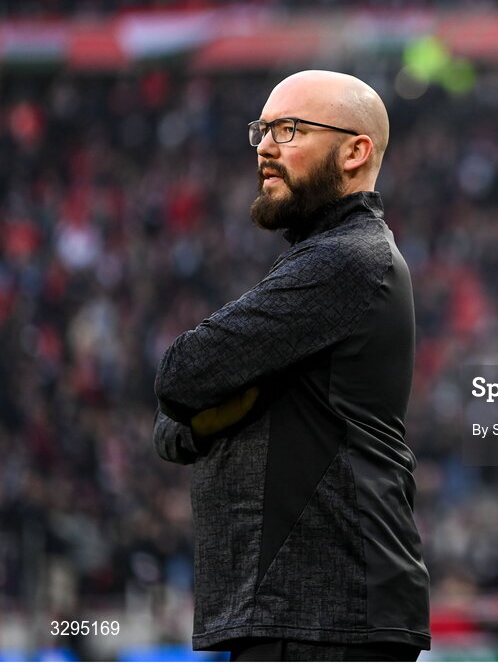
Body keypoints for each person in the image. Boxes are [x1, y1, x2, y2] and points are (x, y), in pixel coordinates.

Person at [153, 70, 430, 661]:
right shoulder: (322, 262)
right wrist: (197, 420)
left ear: (355, 151)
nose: (263, 146)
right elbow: (171, 422)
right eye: (261, 130)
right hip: (303, 612)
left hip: (325, 612)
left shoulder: (345, 260)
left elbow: (182, 373)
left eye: (289, 129)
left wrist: (201, 418)